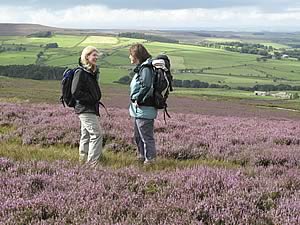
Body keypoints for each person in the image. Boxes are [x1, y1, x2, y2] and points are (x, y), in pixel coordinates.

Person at [71, 46, 103, 167]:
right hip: (85, 108)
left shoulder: (92, 72)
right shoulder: (81, 72)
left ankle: (82, 161)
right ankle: (92, 164)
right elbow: (75, 92)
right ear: (86, 57)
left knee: (86, 135)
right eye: (94, 55)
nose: (96, 57)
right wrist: (91, 99)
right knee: (97, 134)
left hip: (89, 108)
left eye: (96, 55)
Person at [129, 44, 157, 164]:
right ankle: (142, 157)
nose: (129, 57)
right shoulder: (142, 68)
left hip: (144, 109)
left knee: (146, 138)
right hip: (138, 110)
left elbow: (146, 86)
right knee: (138, 136)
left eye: (131, 55)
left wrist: (138, 99)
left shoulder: (145, 69)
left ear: (136, 55)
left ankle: (150, 161)